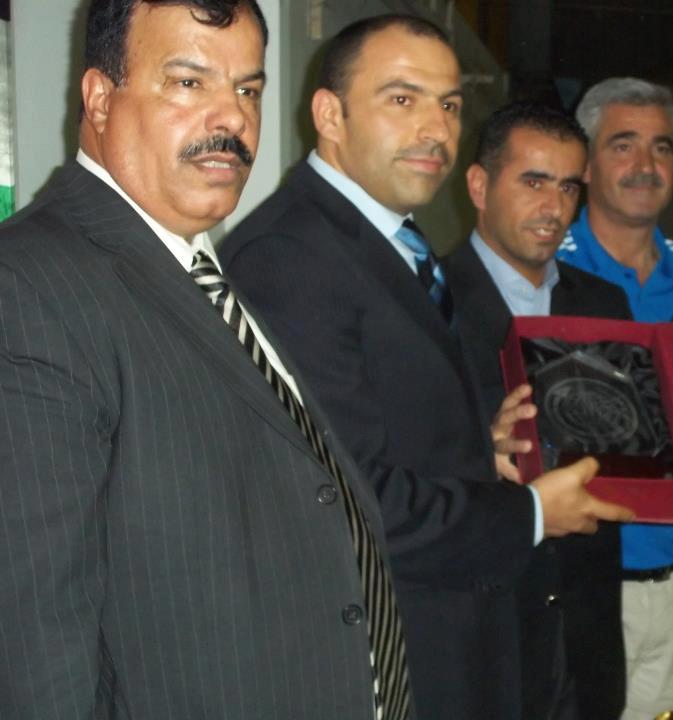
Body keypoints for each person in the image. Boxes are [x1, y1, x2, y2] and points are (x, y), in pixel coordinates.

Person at [220, 15, 634, 720]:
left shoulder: (392, 244)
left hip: (447, 647)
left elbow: (387, 433)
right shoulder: (292, 256)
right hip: (385, 666)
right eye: (402, 99)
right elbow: (346, 502)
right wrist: (534, 512)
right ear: (330, 115)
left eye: (448, 104)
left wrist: (480, 445)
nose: (436, 129)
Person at [0, 2, 406, 718]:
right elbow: (36, 640)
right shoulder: (30, 284)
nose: (233, 118)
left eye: (247, 88)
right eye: (189, 82)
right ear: (100, 98)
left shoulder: (196, 271)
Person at [556, 76, 673, 719]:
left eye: (661, 148)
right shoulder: (546, 267)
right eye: (623, 145)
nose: (645, 165)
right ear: (585, 163)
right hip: (573, 583)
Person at [443, 101, 632, 720]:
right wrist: (481, 446)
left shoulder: (606, 305)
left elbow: (631, 456)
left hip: (587, 634)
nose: (554, 207)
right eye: (533, 182)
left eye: (568, 187)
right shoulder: (426, 302)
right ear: (479, 186)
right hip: (481, 629)